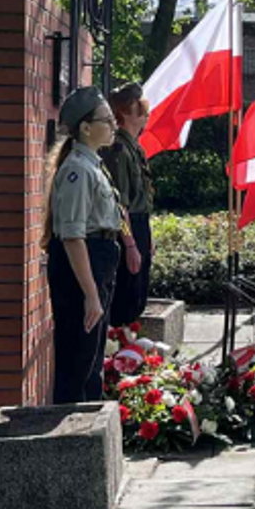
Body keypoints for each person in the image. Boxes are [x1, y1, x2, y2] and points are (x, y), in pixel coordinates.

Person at [45, 85, 126, 403]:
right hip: (83, 266)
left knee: (91, 362)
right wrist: (91, 295)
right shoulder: (78, 170)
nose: (114, 125)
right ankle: (71, 428)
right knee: (77, 364)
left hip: (98, 261)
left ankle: (89, 424)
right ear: (86, 128)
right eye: (107, 119)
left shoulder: (92, 164)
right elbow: (72, 237)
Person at [101, 83, 153, 328]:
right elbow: (119, 203)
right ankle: (119, 346)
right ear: (124, 112)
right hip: (127, 228)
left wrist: (146, 237)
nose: (145, 112)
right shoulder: (119, 150)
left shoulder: (134, 147)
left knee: (138, 294)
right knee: (127, 297)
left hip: (138, 224)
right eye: (139, 107)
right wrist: (130, 243)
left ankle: (127, 343)